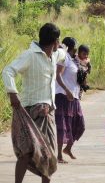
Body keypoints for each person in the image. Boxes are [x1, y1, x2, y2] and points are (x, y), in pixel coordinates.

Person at [2, 23, 65, 183]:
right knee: (27, 152)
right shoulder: (30, 55)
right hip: (30, 111)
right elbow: (8, 71)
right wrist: (12, 93)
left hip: (47, 110)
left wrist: (62, 48)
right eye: (58, 41)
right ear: (54, 41)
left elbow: (63, 54)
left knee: (47, 154)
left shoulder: (56, 55)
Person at [55, 37, 85, 164]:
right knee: (62, 127)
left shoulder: (74, 60)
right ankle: (59, 155)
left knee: (79, 125)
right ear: (72, 47)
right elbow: (58, 76)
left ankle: (68, 148)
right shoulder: (64, 57)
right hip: (62, 96)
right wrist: (66, 90)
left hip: (74, 97)